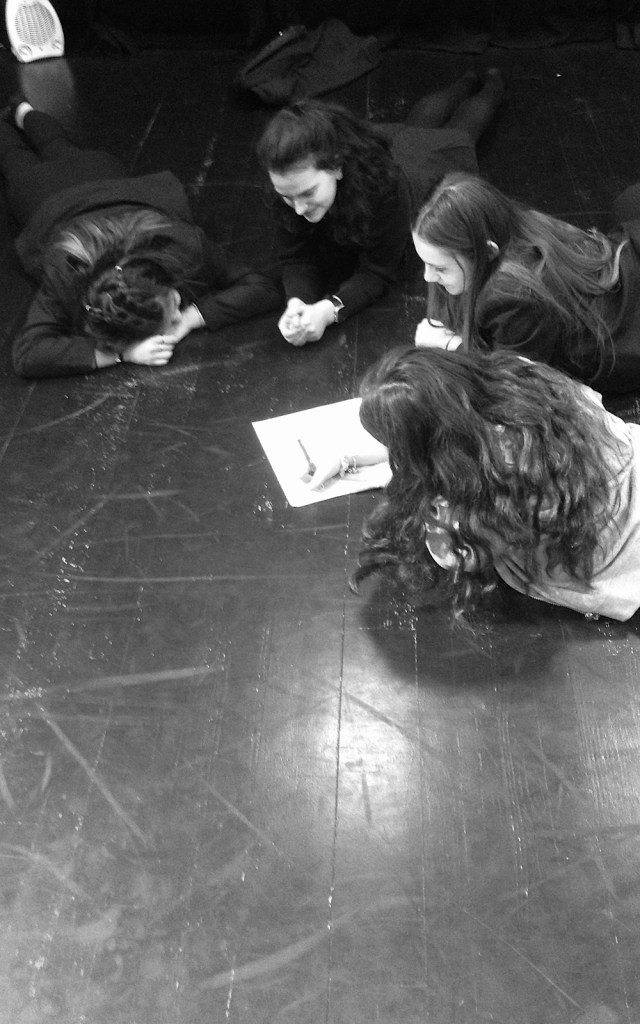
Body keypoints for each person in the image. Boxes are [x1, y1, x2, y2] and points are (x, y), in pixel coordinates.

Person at [306, 346, 640, 622]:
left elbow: (455, 554)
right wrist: (351, 457)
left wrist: (415, 475)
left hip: (613, 551)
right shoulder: (518, 376)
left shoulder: (496, 484)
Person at [0, 99, 281, 378]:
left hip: (104, 180)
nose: (177, 314)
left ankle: (21, 111)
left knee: (47, 148)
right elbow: (28, 355)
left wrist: (190, 318)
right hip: (46, 194)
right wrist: (120, 354)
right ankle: (23, 112)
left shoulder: (182, 244)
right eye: (175, 308)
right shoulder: (68, 274)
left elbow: (264, 288)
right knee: (22, 155)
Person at [256, 69, 505, 347]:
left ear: (336, 166)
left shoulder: (382, 188)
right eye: (287, 197)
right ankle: (465, 79)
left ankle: (492, 83)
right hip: (398, 145)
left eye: (308, 193)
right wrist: (298, 302)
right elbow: (296, 257)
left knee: (462, 130)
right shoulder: (289, 183)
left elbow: (377, 271)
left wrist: (329, 310)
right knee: (420, 123)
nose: (298, 208)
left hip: (424, 170)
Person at [411, 171, 640, 394]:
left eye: (440, 268)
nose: (427, 277)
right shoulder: (514, 224)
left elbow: (515, 379)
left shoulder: (511, 294)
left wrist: (452, 345)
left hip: (622, 342)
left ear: (488, 252)